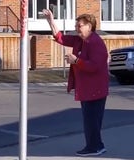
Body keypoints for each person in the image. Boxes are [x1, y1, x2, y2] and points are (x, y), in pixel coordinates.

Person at [42, 9, 109, 157]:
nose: (76, 28)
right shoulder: (80, 40)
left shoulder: (95, 42)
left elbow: (95, 66)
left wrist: (76, 61)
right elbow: (60, 38)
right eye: (76, 25)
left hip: (96, 89)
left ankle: (95, 147)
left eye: (80, 25)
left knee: (92, 121)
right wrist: (50, 21)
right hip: (86, 89)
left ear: (89, 26)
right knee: (90, 120)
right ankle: (96, 146)